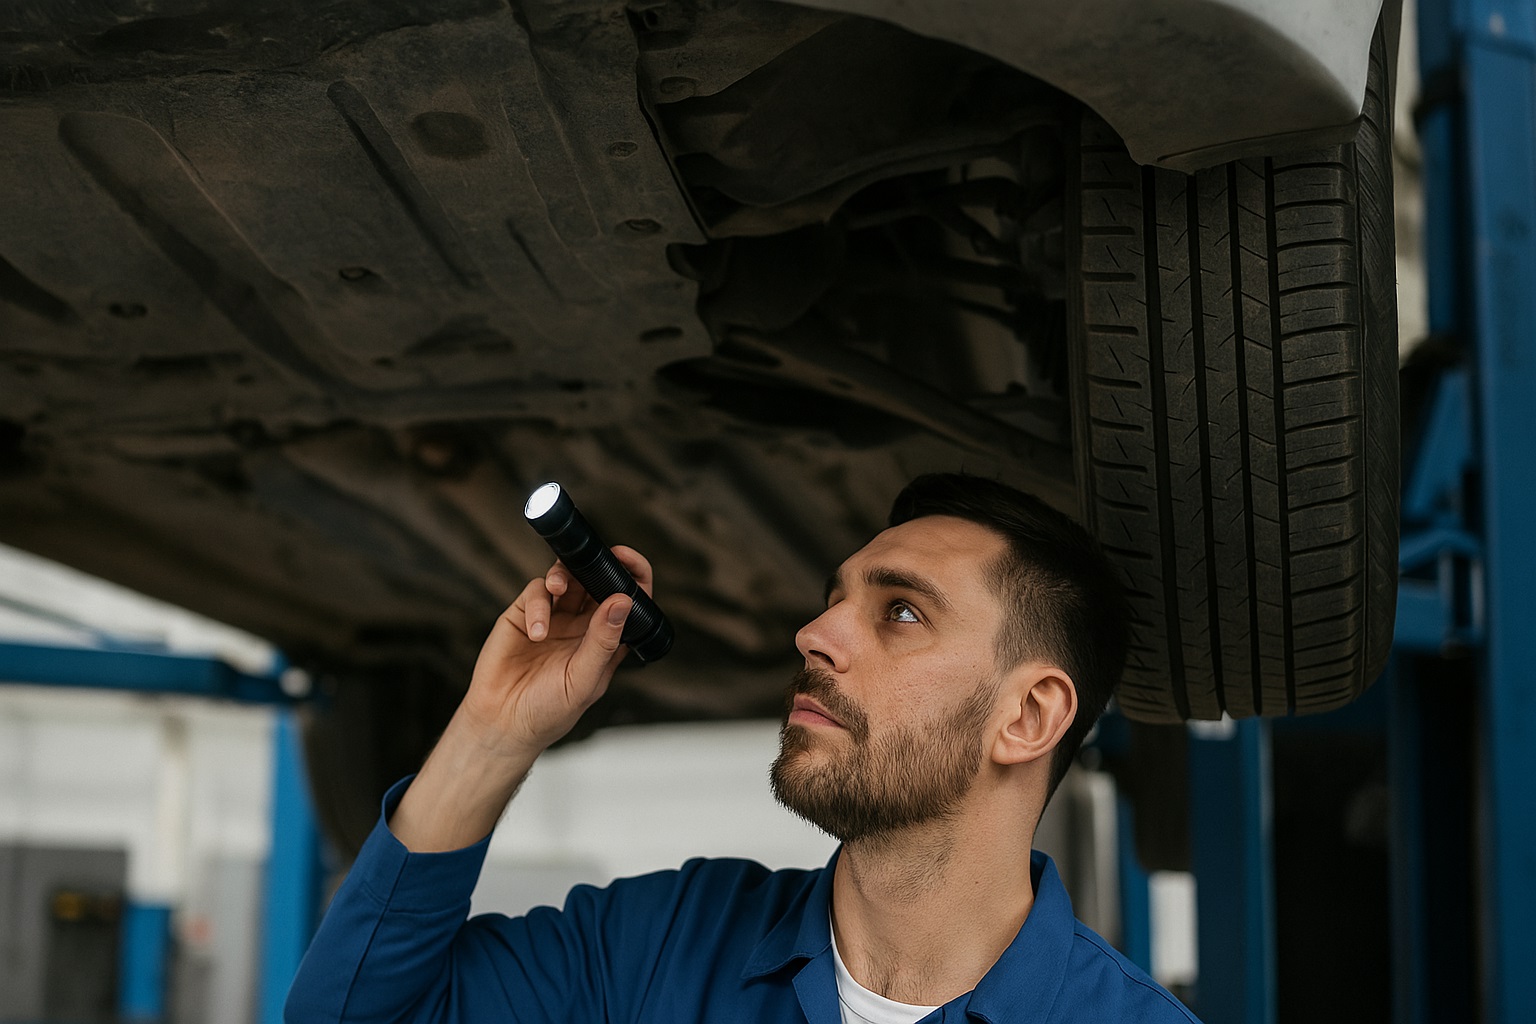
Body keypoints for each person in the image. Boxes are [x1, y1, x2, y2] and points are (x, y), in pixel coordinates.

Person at [285, 473, 1200, 1024]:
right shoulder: (657, 949)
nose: (816, 632)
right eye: (835, 598)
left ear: (1030, 717)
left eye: (903, 612)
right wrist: (493, 731)